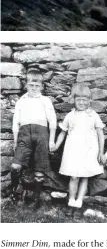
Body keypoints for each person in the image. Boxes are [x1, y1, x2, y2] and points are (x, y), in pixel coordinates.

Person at [53, 84, 105, 210]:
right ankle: (71, 199)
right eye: (79, 100)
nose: (81, 102)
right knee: (74, 176)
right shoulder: (70, 115)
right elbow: (63, 132)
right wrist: (56, 146)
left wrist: (101, 152)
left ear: (89, 100)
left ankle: (79, 200)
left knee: (84, 176)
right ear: (74, 100)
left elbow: (100, 134)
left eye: (84, 100)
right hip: (73, 150)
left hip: (89, 150)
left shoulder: (93, 115)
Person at [11, 68, 57, 208]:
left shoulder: (45, 100)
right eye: (31, 85)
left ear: (42, 86)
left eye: (37, 86)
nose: (34, 88)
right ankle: (15, 192)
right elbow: (16, 122)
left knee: (39, 170)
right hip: (24, 134)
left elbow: (53, 120)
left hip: (42, 133)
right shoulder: (21, 101)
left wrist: (51, 139)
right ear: (26, 85)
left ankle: (36, 197)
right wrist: (15, 140)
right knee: (15, 166)